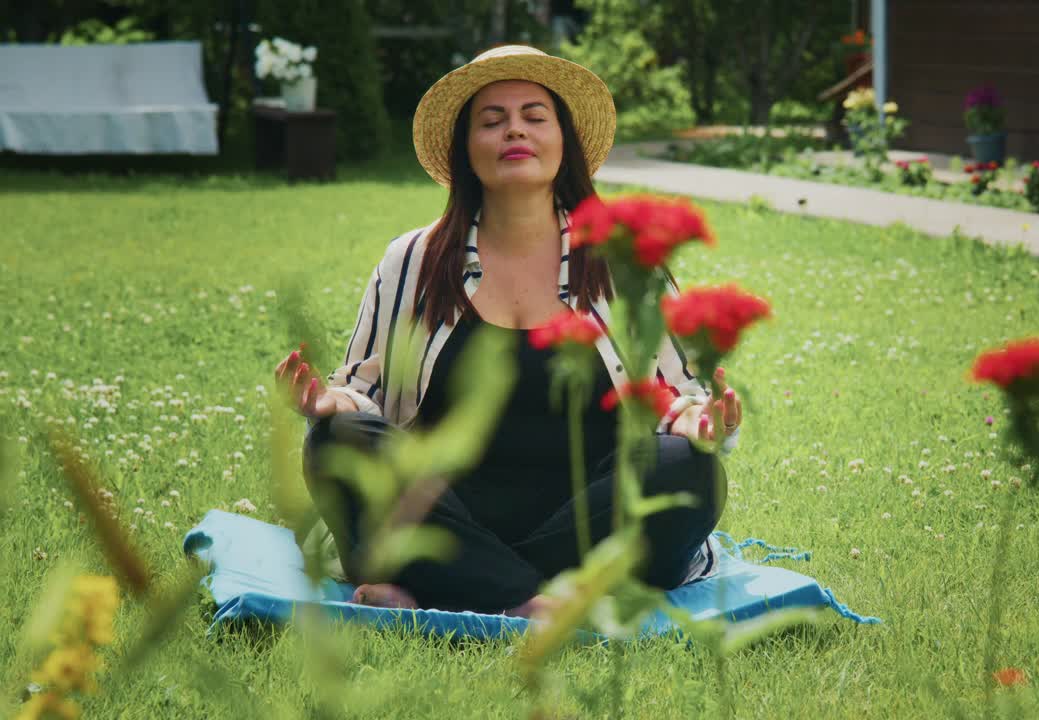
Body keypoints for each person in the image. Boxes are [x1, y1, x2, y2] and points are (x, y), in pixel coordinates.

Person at [273, 45, 744, 618]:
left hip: (588, 518)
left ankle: (456, 586)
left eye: (534, 116)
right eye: (492, 121)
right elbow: (364, 393)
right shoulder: (412, 262)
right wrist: (327, 401)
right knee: (335, 442)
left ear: (562, 141)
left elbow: (680, 399)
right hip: (444, 514)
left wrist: (700, 420)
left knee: (688, 470)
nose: (514, 131)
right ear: (466, 150)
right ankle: (534, 599)